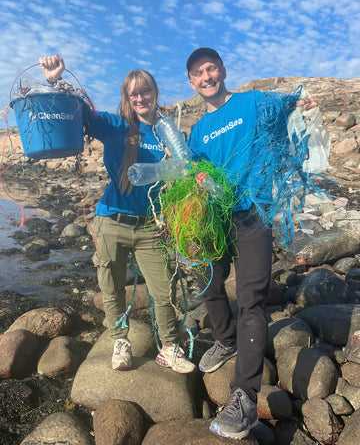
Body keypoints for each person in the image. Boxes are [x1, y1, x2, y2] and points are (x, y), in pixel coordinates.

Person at [185, 47, 317, 439]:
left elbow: (284, 107)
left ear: (222, 71)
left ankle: (244, 395)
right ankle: (226, 340)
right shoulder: (196, 132)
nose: (207, 77)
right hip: (215, 218)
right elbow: (192, 167)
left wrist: (300, 102)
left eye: (211, 69)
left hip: (253, 212)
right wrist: (192, 177)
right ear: (191, 83)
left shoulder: (252, 102)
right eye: (198, 73)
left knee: (251, 298)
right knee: (208, 282)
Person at [39, 54, 196, 374]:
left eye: (146, 91)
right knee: (110, 287)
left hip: (152, 225)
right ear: (127, 98)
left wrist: (173, 165)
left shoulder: (166, 132)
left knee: (163, 287)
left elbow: (185, 169)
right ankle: (120, 340)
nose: (140, 98)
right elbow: (76, 111)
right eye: (133, 93)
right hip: (111, 220)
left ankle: (168, 346)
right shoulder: (114, 125)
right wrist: (54, 81)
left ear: (155, 93)